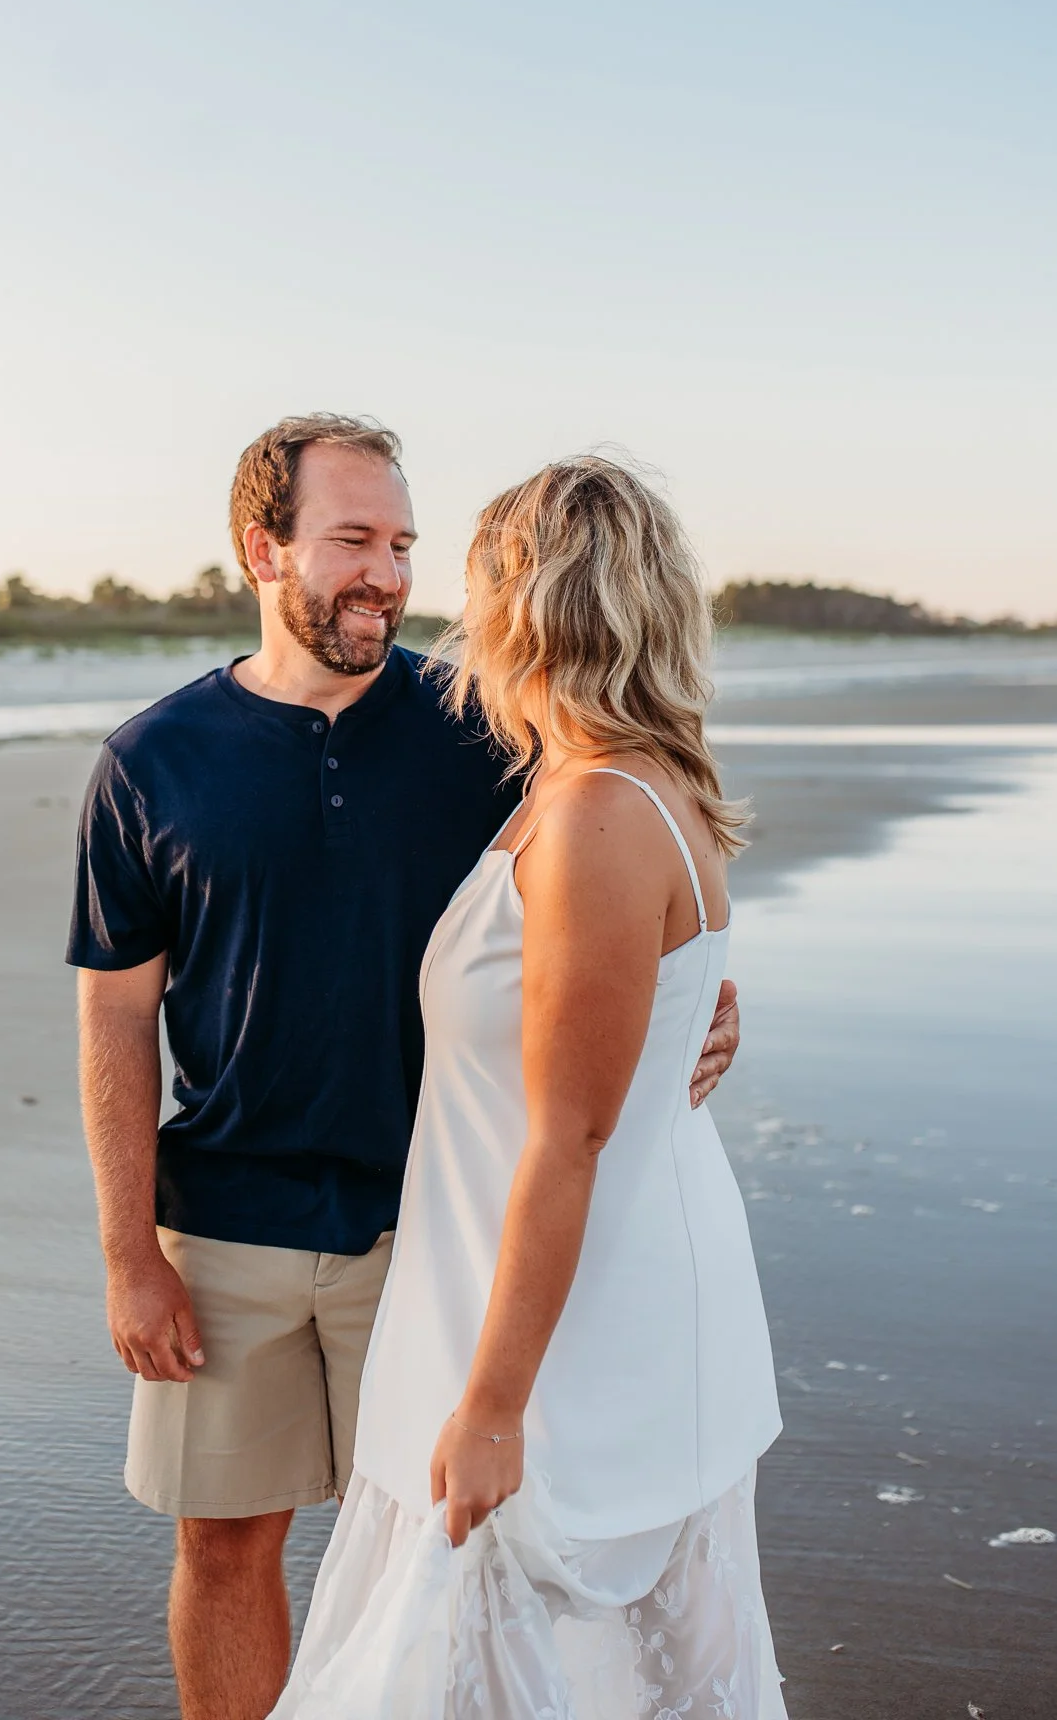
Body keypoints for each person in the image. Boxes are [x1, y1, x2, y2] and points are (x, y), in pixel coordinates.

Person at [67, 416, 743, 1720]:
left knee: (462, 1555)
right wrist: (127, 1251)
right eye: (353, 541)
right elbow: (114, 1023)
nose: (386, 572)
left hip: (445, 1223)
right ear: (264, 550)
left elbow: (635, 851)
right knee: (223, 1545)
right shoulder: (149, 763)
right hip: (229, 1225)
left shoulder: (487, 723)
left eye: (403, 544)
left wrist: (700, 994)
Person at [271, 454, 785, 1719]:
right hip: (574, 1275)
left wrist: (493, 1402)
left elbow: (570, 1136)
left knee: (467, 1657)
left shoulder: (602, 807)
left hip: (571, 1320)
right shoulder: (605, 780)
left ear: (524, 599)